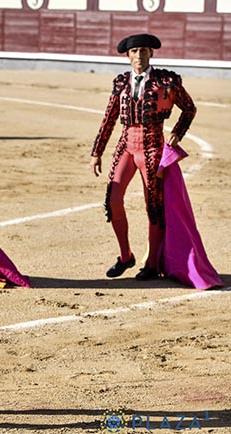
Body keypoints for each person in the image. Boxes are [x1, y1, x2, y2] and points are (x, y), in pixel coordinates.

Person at [90, 33, 196, 281]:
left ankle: (151, 263)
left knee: (154, 206)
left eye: (144, 51)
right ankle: (125, 256)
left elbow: (189, 108)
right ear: (128, 56)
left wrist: (178, 133)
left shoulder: (166, 81)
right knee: (113, 200)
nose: (140, 55)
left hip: (152, 146)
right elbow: (109, 119)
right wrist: (97, 152)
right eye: (135, 51)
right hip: (126, 145)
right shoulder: (121, 84)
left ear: (151, 54)